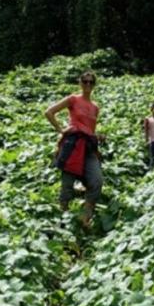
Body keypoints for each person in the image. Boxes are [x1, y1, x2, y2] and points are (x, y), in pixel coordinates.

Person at [45, 70, 105, 228]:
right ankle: (62, 219)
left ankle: (85, 217)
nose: (87, 84)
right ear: (80, 83)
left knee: (97, 182)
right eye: (85, 81)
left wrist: (97, 136)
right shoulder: (73, 99)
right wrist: (60, 129)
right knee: (67, 186)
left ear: (94, 85)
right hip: (72, 145)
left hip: (88, 147)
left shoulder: (95, 107)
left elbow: (90, 129)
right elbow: (49, 112)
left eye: (91, 82)